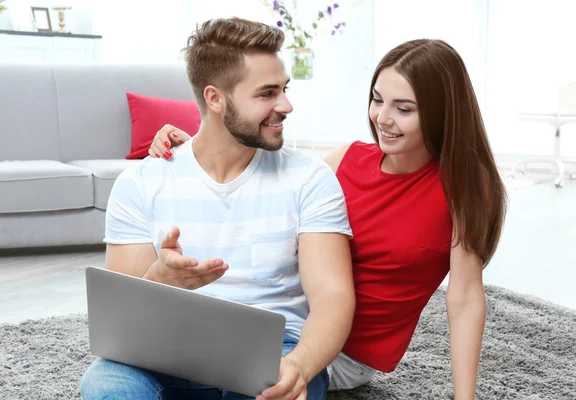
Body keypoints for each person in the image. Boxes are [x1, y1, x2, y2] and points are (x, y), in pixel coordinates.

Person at [149, 38, 507, 399]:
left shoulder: (465, 184)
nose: (383, 118)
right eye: (377, 99)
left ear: (443, 112)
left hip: (342, 352)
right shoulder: (349, 158)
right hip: (285, 318)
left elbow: (464, 296)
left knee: (244, 377)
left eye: (404, 109)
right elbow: (269, 181)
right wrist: (197, 149)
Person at [80, 17, 357, 400]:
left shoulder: (310, 179)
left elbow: (333, 296)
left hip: (275, 354)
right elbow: (124, 324)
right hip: (165, 352)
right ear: (215, 98)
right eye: (268, 93)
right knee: (105, 384)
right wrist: (159, 280)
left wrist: (301, 366)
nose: (286, 105)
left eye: (285, 89)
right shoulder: (141, 182)